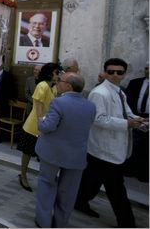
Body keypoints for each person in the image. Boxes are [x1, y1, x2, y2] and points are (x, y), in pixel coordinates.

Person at [75, 58, 144, 227]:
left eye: (119, 72)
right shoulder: (100, 93)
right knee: (116, 189)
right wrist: (128, 123)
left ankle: (79, 201)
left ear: (124, 74)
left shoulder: (119, 92)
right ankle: (127, 223)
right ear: (105, 72)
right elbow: (99, 119)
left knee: (92, 180)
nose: (115, 75)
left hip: (108, 149)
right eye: (111, 71)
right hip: (104, 149)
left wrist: (139, 120)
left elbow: (126, 112)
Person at [34, 72, 96, 228]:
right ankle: (60, 223)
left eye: (59, 81)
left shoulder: (59, 102)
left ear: (68, 85)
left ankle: (44, 221)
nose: (57, 83)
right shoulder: (90, 106)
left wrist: (40, 120)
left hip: (53, 152)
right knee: (68, 193)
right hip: (76, 155)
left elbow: (47, 127)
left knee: (46, 185)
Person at [17, 62, 60, 192]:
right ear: (49, 73)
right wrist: (41, 126)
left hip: (45, 126)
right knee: (28, 152)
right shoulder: (42, 86)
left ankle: (45, 179)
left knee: (42, 154)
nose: (58, 75)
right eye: (56, 73)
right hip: (35, 126)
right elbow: (39, 109)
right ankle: (23, 175)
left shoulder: (53, 87)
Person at [123, 63, 149, 182]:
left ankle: (144, 174)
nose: (148, 71)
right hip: (136, 116)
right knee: (134, 144)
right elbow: (127, 102)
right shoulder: (135, 83)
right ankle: (129, 170)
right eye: (147, 68)